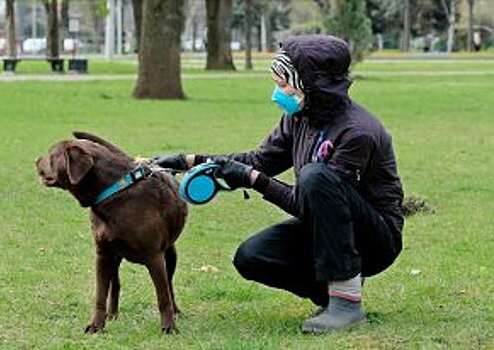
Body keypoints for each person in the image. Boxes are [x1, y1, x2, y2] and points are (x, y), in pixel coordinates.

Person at [153, 34, 403, 333]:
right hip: (327, 229)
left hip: (376, 238)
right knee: (251, 256)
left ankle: (347, 305)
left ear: (311, 83)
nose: (277, 92)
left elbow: (305, 200)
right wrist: (187, 160)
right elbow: (259, 160)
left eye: (284, 84)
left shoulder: (356, 131)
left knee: (315, 175)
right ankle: (333, 294)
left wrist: (252, 180)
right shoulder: (301, 116)